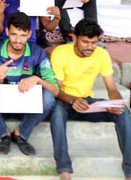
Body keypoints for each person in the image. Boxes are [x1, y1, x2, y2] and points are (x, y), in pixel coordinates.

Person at [50, 19, 131, 180]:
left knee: (124, 112)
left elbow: (112, 88)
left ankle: (129, 171)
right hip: (64, 101)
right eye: (85, 42)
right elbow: (56, 90)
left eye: (94, 42)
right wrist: (72, 100)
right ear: (74, 38)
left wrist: (116, 103)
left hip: (87, 103)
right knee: (57, 113)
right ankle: (64, 169)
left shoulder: (101, 54)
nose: (90, 47)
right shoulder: (60, 52)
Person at [0, 12, 58, 156]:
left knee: (48, 97)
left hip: (27, 107)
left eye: (23, 35)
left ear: (30, 34)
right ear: (7, 32)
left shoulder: (38, 53)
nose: (18, 40)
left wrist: (38, 80)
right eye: (14, 34)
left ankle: (21, 134)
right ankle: (4, 133)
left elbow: (55, 91)